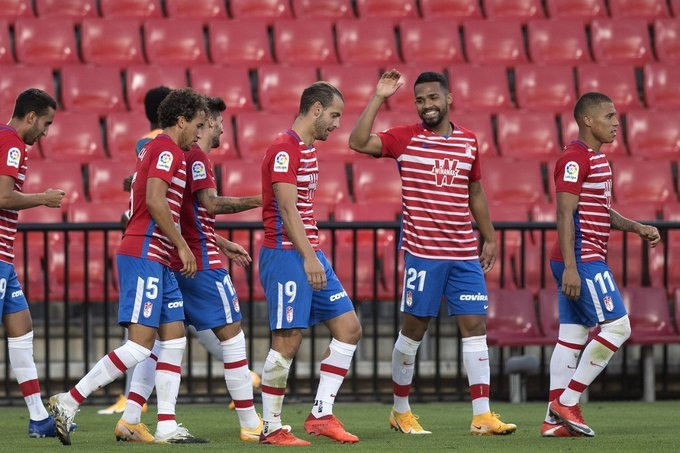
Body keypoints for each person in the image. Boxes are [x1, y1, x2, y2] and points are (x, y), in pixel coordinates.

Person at [348, 70, 517, 436]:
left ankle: (483, 415)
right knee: (413, 331)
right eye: (420, 100)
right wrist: (378, 96)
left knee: (475, 328)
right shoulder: (405, 139)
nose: (426, 105)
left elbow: (475, 192)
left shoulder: (469, 142)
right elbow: (357, 141)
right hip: (423, 255)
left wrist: (489, 236)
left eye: (432, 98)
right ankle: (400, 410)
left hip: (463, 255)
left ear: (448, 99)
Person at [48, 88, 207, 445]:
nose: (200, 132)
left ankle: (163, 423)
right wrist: (182, 245)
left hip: (159, 256)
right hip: (147, 252)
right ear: (180, 121)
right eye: (197, 125)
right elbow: (153, 200)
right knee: (138, 346)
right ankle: (69, 400)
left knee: (174, 337)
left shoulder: (157, 149)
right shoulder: (166, 149)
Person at [113, 96, 263, 443]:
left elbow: (185, 213)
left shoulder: (179, 154)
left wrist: (220, 240)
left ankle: (134, 417)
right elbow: (208, 204)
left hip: (178, 259)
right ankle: (251, 422)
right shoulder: (194, 156)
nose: (222, 127)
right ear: (204, 121)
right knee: (233, 335)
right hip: (201, 263)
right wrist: (262, 199)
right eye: (216, 121)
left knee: (163, 341)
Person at [541, 92, 660, 438]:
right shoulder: (574, 159)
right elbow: (564, 213)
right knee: (619, 327)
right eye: (609, 116)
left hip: (579, 257)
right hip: (581, 257)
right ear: (587, 120)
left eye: (616, 117)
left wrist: (636, 227)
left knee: (572, 337)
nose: (616, 122)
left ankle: (552, 422)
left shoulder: (598, 160)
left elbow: (597, 210)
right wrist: (574, 268)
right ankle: (569, 401)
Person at [258, 82, 361, 446]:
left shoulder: (308, 149)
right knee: (287, 341)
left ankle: (320, 415)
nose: (336, 124)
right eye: (334, 115)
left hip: (308, 253)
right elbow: (287, 209)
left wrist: (312, 254)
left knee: (349, 328)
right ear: (315, 110)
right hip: (288, 256)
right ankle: (270, 427)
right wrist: (308, 256)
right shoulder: (284, 149)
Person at [0, 89, 66, 438]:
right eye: (46, 123)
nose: (46, 132)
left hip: (4, 261)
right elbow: (3, 196)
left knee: (22, 328)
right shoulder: (12, 145)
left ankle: (39, 418)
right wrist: (42, 198)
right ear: (30, 117)